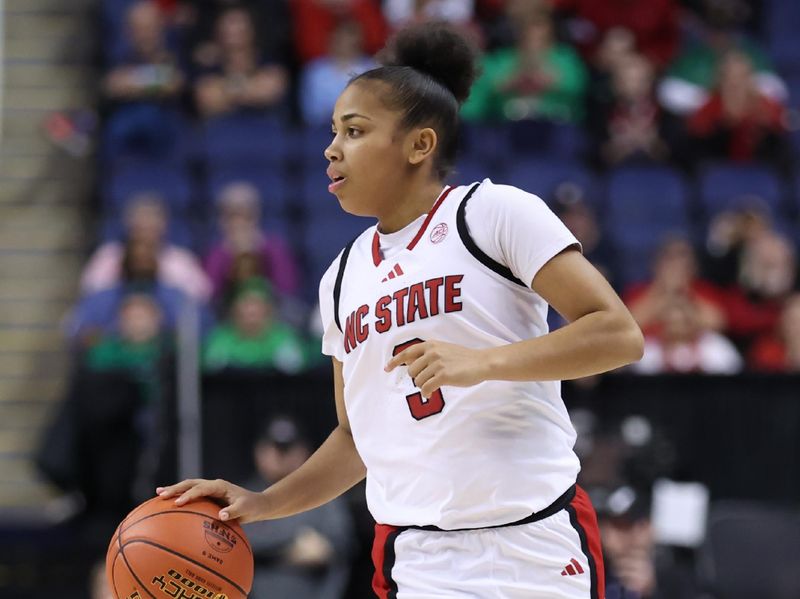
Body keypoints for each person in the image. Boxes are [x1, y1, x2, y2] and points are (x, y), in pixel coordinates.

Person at [158, 23, 644, 598]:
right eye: (333, 132)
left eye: (355, 130)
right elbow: (355, 438)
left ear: (420, 145)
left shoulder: (492, 213)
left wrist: (482, 363)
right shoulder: (340, 279)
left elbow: (618, 334)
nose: (332, 148)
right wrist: (264, 503)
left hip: (533, 542)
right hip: (417, 558)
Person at [245, 416, 354, 599]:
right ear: (259, 451)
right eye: (275, 448)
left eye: (288, 448)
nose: (281, 456)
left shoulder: (325, 494)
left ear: (305, 451)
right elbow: (237, 549)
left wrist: (265, 553)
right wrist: (290, 549)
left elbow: (340, 547)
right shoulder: (246, 495)